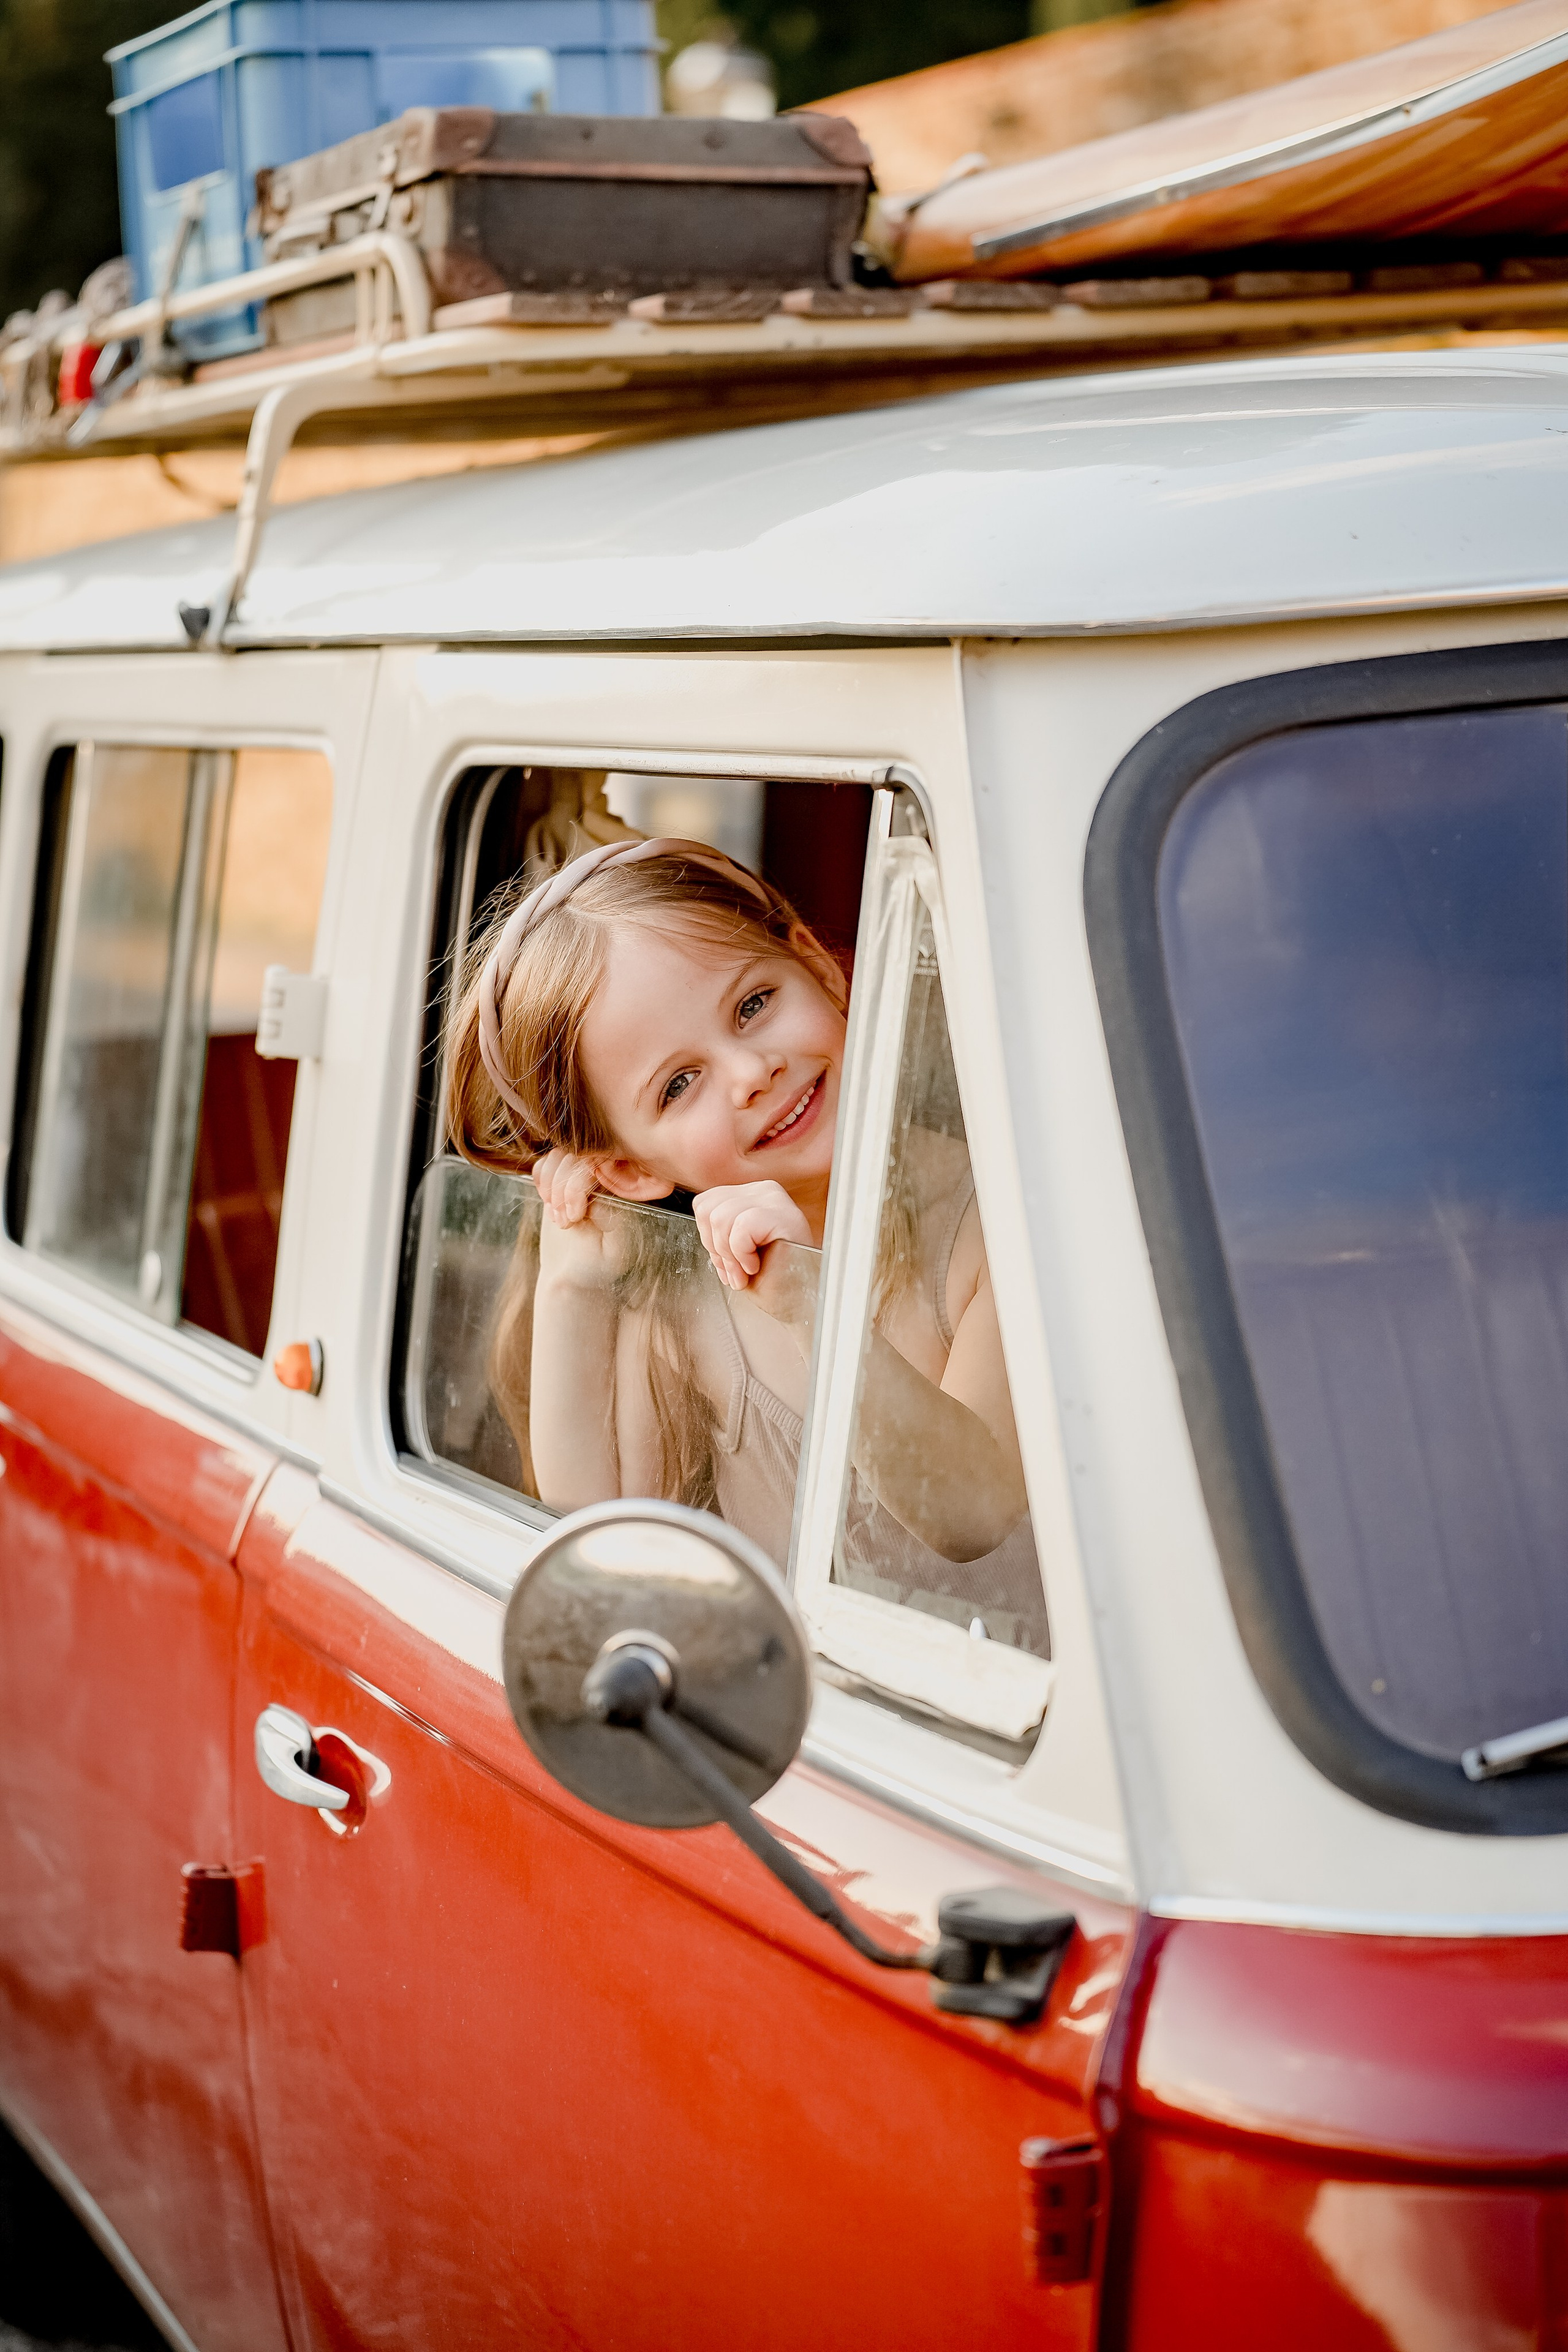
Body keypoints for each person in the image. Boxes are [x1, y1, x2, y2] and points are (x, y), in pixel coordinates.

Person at [443, 835, 1041, 1639]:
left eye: (753, 1004)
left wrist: (811, 1303)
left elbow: (972, 1512)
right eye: (679, 1084)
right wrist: (572, 1287)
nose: (751, 1071)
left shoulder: (996, 1216)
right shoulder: (681, 1293)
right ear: (626, 1170)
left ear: (817, 967)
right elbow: (609, 1553)